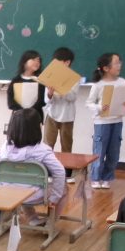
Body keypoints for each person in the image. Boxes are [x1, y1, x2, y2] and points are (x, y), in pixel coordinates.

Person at [0, 108, 68, 226]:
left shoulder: (5, 147)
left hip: (7, 192)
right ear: (37, 128)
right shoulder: (42, 150)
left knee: (22, 182)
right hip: (31, 195)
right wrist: (54, 199)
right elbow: (60, 172)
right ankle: (50, 223)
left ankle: (32, 218)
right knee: (64, 188)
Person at [86, 52, 125, 189]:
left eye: (120, 62)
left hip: (117, 121)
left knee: (114, 152)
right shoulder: (98, 84)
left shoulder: (122, 82)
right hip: (102, 122)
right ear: (106, 68)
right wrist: (99, 107)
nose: (119, 65)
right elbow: (89, 103)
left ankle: (107, 178)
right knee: (99, 151)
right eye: (116, 63)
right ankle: (95, 178)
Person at [43, 47, 79, 182]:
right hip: (52, 115)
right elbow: (46, 100)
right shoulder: (50, 75)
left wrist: (61, 88)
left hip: (67, 117)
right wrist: (50, 93)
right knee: (48, 145)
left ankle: (67, 173)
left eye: (58, 62)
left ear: (67, 62)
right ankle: (48, 173)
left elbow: (72, 97)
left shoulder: (74, 78)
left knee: (66, 145)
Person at [7, 49, 46, 115]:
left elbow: (42, 101)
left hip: (36, 115)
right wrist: (22, 112)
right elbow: (11, 102)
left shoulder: (40, 81)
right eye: (33, 60)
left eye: (38, 61)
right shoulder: (16, 80)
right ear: (24, 61)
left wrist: (30, 112)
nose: (37, 62)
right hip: (19, 116)